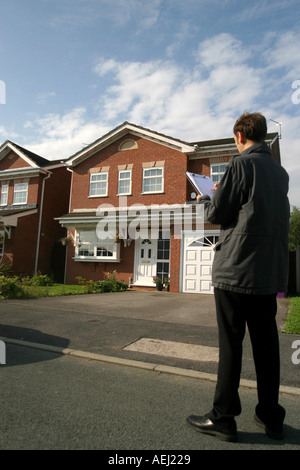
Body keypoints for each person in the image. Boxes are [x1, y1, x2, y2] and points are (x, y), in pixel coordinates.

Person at [187, 112, 290, 442]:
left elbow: (218, 214)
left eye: (235, 139)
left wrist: (207, 197)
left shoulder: (239, 164)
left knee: (231, 343)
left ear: (240, 136)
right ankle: (271, 416)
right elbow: (253, 210)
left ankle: (223, 418)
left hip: (235, 270)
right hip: (267, 272)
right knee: (266, 343)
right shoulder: (280, 172)